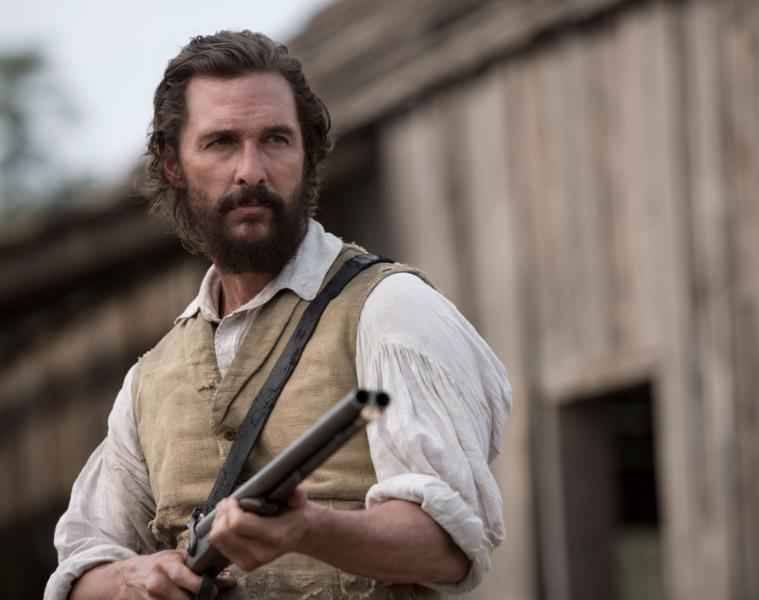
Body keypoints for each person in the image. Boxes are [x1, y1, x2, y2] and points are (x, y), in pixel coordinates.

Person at [45, 30, 511, 600]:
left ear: (306, 154)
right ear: (173, 164)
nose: (251, 170)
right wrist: (133, 577)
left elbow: (450, 544)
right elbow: (81, 568)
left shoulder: (390, 308)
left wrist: (310, 529)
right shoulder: (149, 381)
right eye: (220, 142)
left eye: (275, 139)